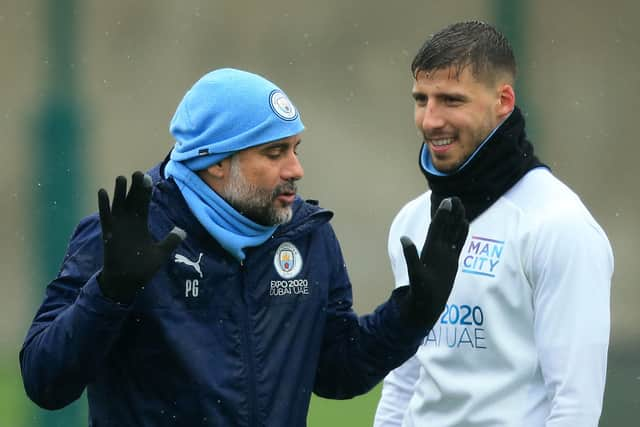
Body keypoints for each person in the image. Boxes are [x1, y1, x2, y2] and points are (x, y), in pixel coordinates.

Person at [20, 68, 469, 427]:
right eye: (275, 153)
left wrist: (412, 314)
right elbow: (45, 381)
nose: (296, 168)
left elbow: (338, 370)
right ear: (216, 163)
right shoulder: (126, 235)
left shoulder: (307, 236)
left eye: (296, 148)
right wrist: (109, 292)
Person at [373, 21, 613, 427]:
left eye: (451, 100)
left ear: (503, 100)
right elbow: (402, 383)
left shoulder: (559, 225)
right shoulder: (410, 221)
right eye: (421, 99)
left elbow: (575, 407)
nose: (429, 121)